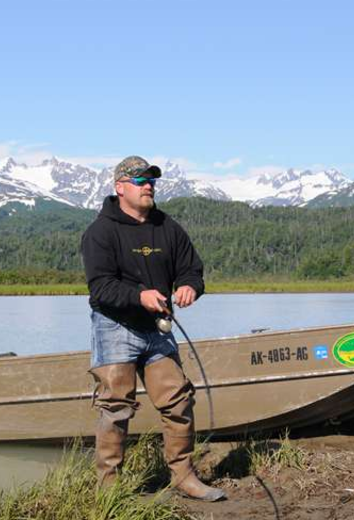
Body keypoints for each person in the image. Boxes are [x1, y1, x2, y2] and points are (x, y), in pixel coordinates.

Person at [80, 155, 226, 501]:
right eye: (140, 181)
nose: (149, 186)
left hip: (157, 330)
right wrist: (139, 295)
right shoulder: (100, 232)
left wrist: (191, 286)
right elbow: (100, 287)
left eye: (152, 181)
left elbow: (192, 268)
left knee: (177, 400)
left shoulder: (167, 227)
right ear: (120, 188)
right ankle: (109, 489)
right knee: (116, 408)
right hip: (115, 326)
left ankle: (184, 477)